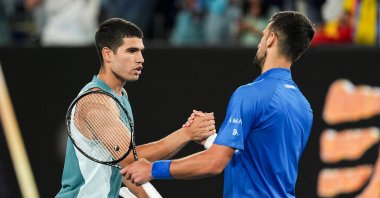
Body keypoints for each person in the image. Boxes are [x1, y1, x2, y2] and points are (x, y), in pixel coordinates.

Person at [121, 11, 315, 197]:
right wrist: (210, 140)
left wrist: (153, 169)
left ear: (271, 38)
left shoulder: (250, 94)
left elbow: (214, 163)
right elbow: (258, 164)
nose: (260, 43)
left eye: (263, 36)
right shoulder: (304, 106)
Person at [56, 18, 216, 198]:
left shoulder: (120, 95)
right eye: (131, 51)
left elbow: (126, 169)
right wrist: (187, 133)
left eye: (140, 51)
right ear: (108, 54)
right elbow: (130, 158)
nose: (140, 59)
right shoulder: (95, 102)